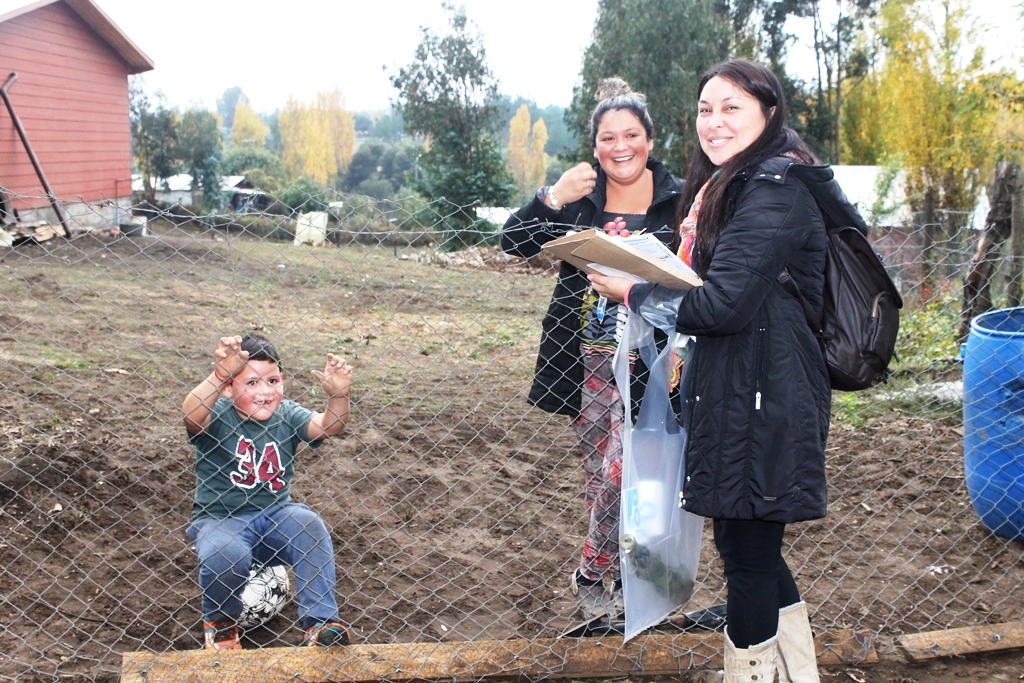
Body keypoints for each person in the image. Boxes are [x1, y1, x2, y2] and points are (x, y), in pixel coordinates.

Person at [590, 59, 848, 681]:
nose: (715, 121)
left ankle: (752, 673)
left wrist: (633, 291)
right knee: (747, 547)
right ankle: (798, 674)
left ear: (769, 112)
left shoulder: (776, 189)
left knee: (749, 559)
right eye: (706, 109)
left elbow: (720, 305)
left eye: (732, 107)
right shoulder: (739, 184)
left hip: (765, 395)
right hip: (742, 387)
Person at [501, 78, 682, 621]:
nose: (620, 146)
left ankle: (591, 569)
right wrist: (552, 197)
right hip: (586, 359)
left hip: (654, 359)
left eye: (631, 135)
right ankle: (627, 576)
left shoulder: (680, 198)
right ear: (595, 145)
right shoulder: (580, 197)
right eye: (608, 137)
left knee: (632, 470)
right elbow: (514, 242)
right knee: (602, 474)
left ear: (650, 140)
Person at [182, 333, 354, 650]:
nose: (264, 392)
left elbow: (329, 426)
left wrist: (339, 396)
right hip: (222, 520)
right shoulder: (217, 415)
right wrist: (218, 375)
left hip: (275, 516)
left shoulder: (287, 414)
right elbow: (192, 416)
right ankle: (221, 627)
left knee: (308, 524)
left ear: (283, 381)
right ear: (228, 388)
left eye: (272, 381)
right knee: (225, 554)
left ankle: (320, 624)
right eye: (251, 383)